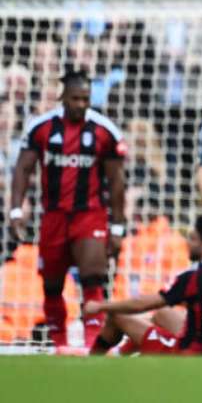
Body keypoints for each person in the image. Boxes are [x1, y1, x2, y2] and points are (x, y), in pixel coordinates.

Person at [10, 70, 127, 348]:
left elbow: (117, 182)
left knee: (93, 279)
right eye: (75, 98)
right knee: (51, 284)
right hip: (53, 216)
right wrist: (16, 210)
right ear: (63, 97)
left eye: (86, 99)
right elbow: (23, 169)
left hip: (90, 215)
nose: (81, 104)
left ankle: (90, 344)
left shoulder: (104, 131)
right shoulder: (40, 128)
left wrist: (118, 227)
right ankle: (59, 343)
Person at [85, 212, 202, 355]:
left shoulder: (194, 276)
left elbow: (141, 304)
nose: (187, 243)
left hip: (191, 354)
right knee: (163, 314)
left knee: (117, 315)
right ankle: (128, 355)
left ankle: (95, 362)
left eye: (193, 238)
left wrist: (101, 306)